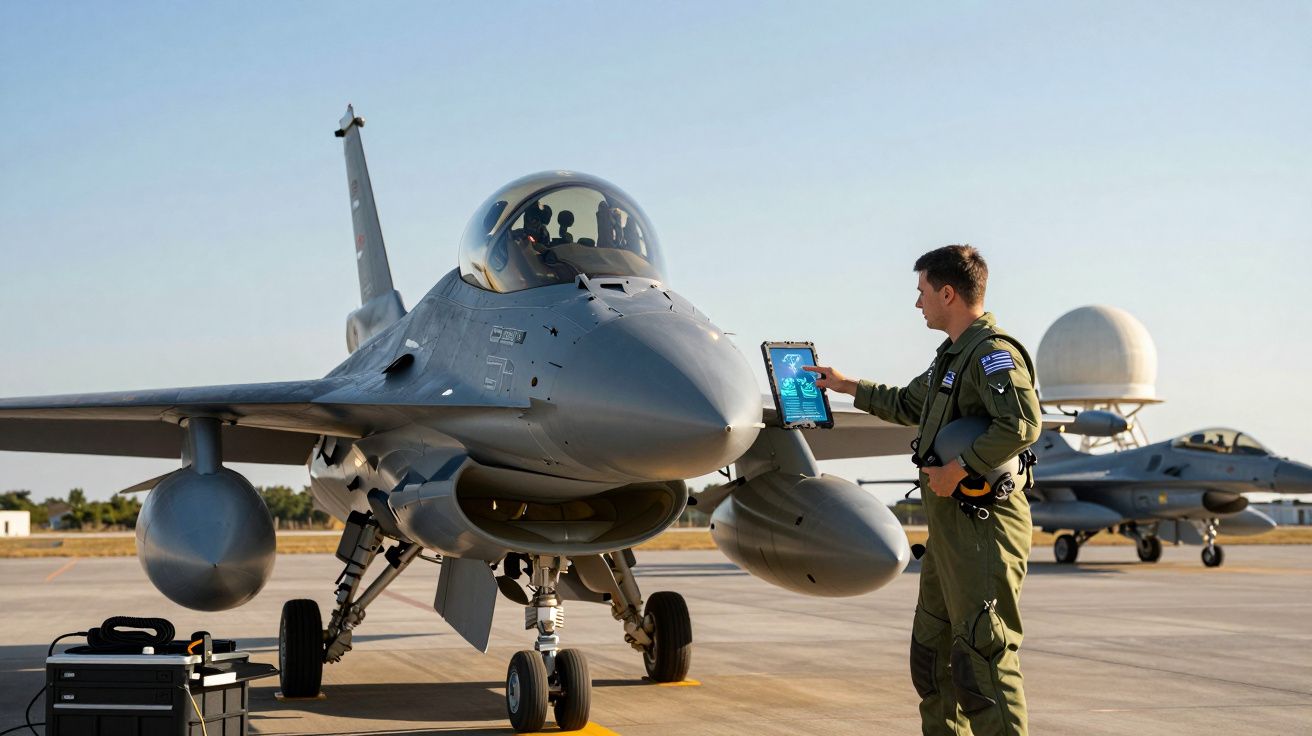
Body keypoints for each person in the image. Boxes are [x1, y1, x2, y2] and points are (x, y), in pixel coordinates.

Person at [807, 245, 1040, 736]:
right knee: (932, 659)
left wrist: (960, 468)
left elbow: (1023, 423)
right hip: (948, 534)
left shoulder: (993, 354)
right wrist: (845, 384)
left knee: (983, 663)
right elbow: (909, 402)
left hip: (983, 532)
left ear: (948, 293)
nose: (918, 304)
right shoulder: (951, 359)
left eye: (922, 293)